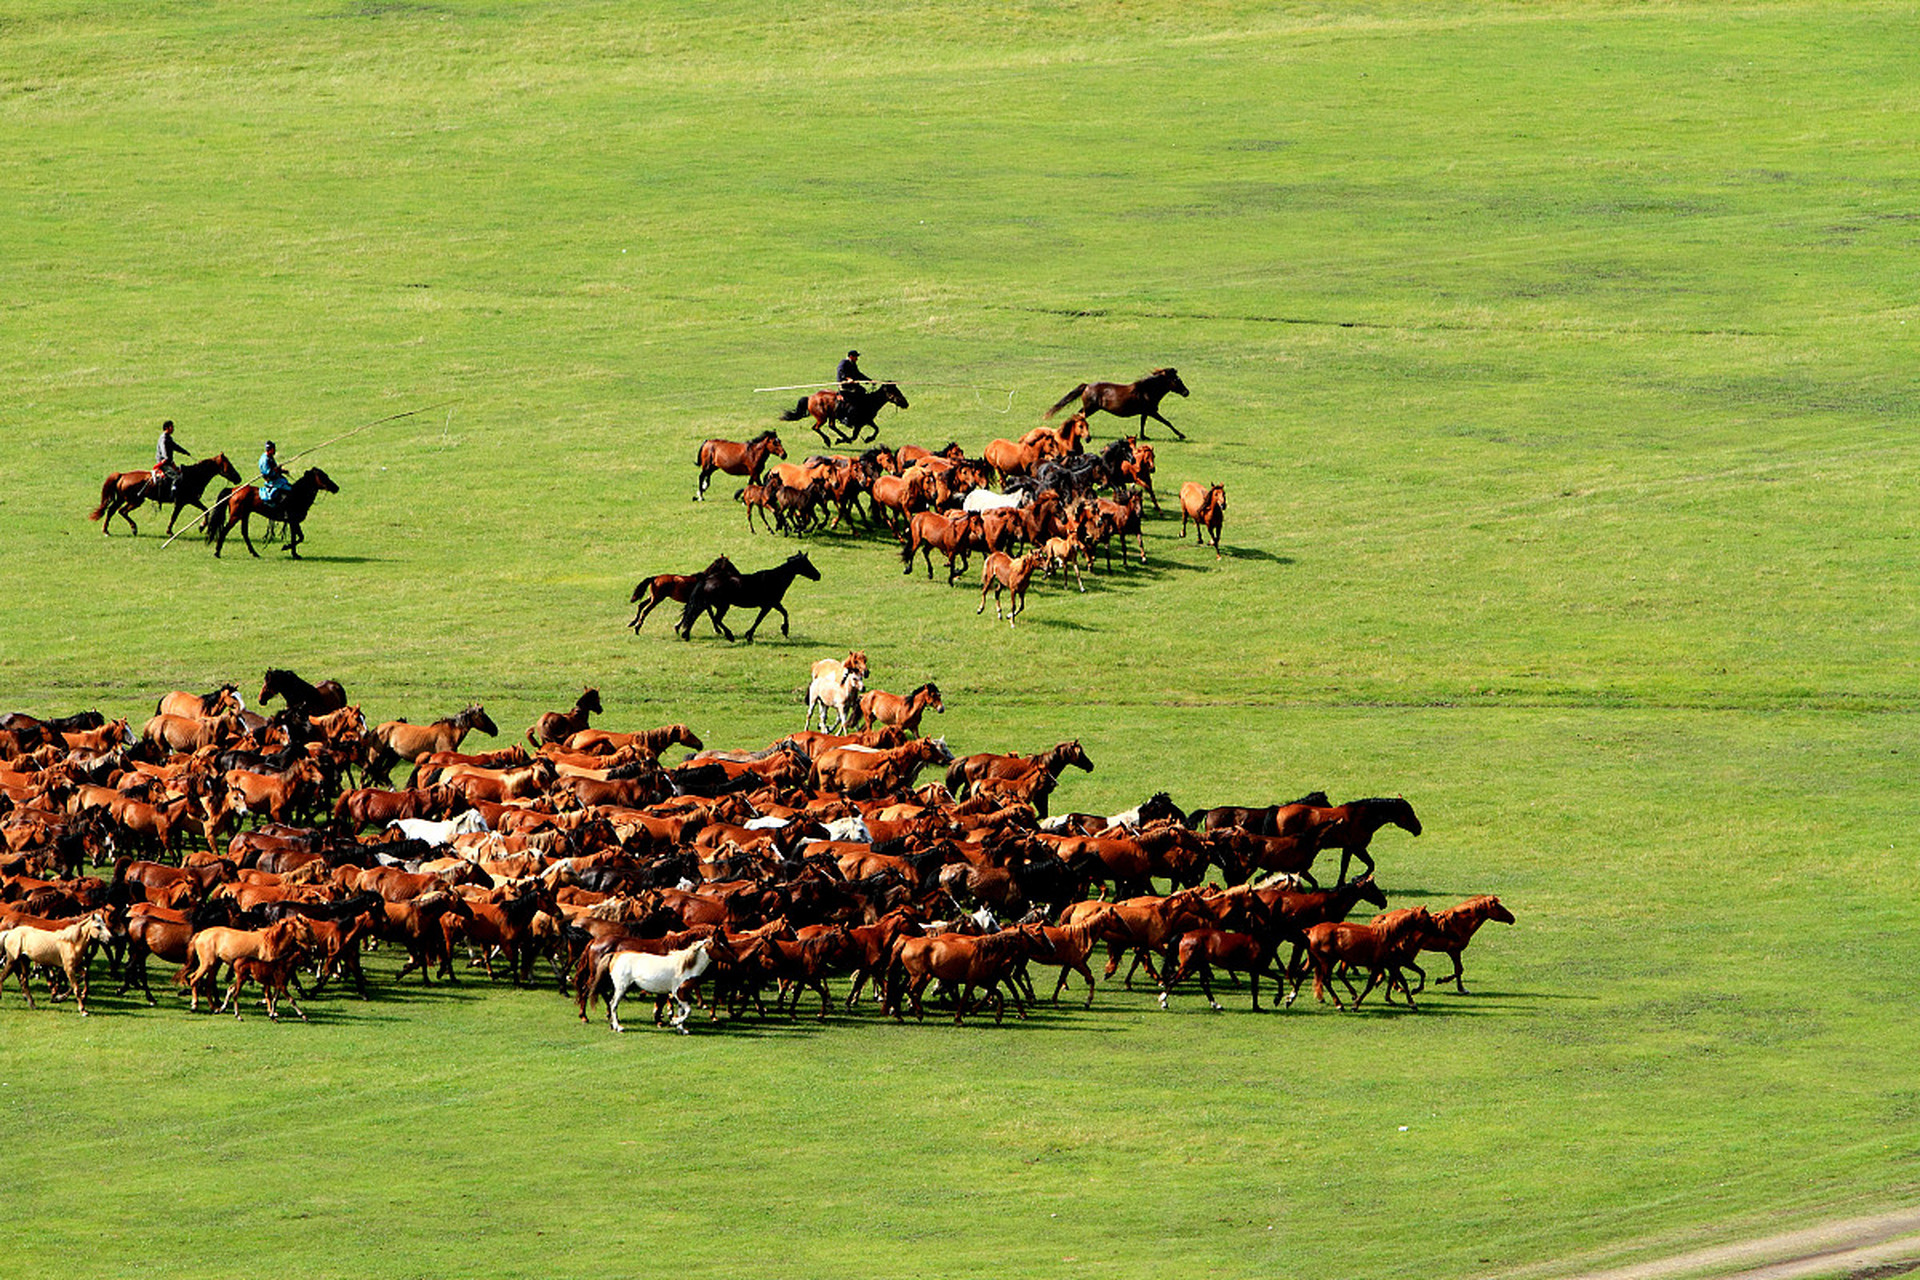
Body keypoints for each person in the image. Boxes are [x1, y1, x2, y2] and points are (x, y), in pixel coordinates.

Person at [148, 420, 191, 500]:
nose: (173, 429)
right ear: (167, 428)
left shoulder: (169, 438)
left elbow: (175, 446)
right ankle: (173, 492)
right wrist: (166, 458)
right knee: (176, 477)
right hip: (163, 463)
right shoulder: (163, 439)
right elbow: (163, 450)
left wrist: (185, 452)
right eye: (172, 427)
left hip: (168, 462)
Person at [257, 440, 292, 514]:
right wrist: (276, 470)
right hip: (272, 481)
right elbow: (268, 472)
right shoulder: (264, 460)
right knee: (288, 490)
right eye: (273, 449)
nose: (275, 451)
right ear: (270, 450)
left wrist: (282, 471)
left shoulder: (270, 457)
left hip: (277, 479)